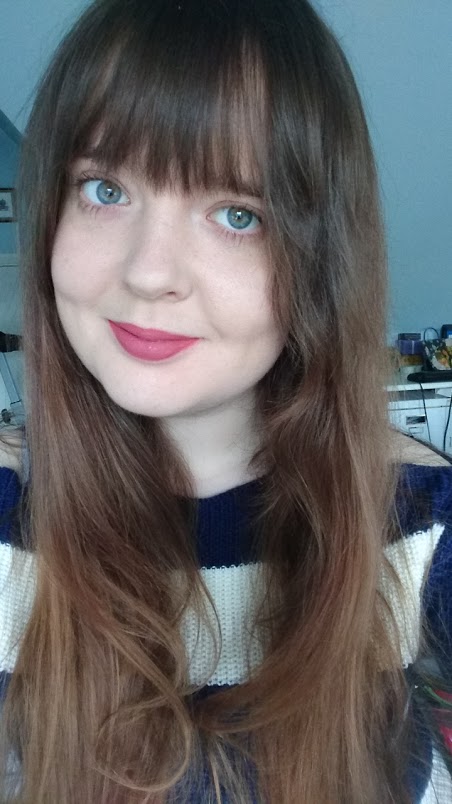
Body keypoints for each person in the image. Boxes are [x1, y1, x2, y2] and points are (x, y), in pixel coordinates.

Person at [0, 0, 451, 801]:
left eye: (236, 214)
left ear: (320, 259)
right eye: (104, 189)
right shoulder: (9, 518)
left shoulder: (417, 511)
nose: (149, 273)